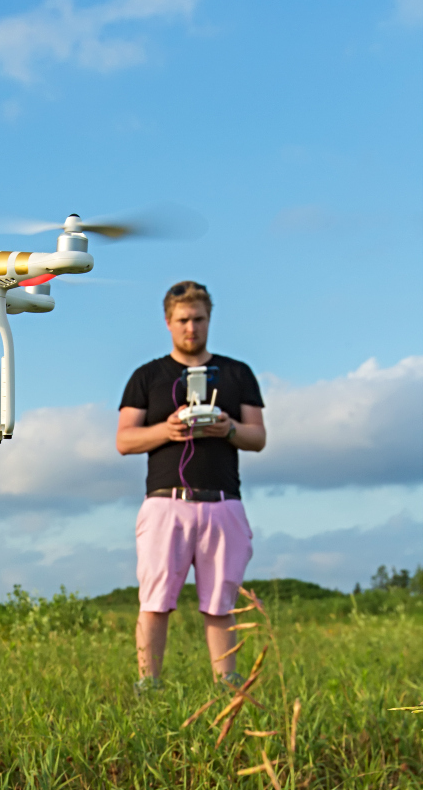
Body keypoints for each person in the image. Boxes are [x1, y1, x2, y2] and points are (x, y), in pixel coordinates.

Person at [116, 281, 266, 692]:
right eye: (183, 320)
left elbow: (258, 437)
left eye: (198, 319)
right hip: (166, 504)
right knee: (154, 602)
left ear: (209, 319)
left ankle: (228, 688)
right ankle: (149, 686)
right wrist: (166, 429)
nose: (191, 328)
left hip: (223, 503)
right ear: (168, 322)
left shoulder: (237, 373)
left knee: (221, 604)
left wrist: (229, 427)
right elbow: (124, 440)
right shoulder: (147, 376)